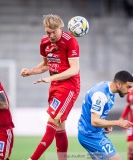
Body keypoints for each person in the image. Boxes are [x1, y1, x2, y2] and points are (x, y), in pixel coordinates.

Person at [21, 14, 80, 160]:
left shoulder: (70, 41)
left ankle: (32, 158)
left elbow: (74, 69)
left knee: (52, 121)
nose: (51, 35)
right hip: (55, 85)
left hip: (69, 87)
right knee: (60, 126)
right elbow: (46, 64)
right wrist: (31, 71)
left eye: (54, 32)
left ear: (61, 28)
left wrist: (50, 78)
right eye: (48, 32)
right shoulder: (44, 42)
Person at [78, 70, 133, 160]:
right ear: (119, 84)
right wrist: (118, 123)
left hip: (94, 133)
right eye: (128, 87)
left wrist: (106, 124)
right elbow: (94, 121)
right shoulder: (100, 95)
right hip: (90, 135)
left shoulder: (109, 88)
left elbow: (97, 114)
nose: (129, 91)